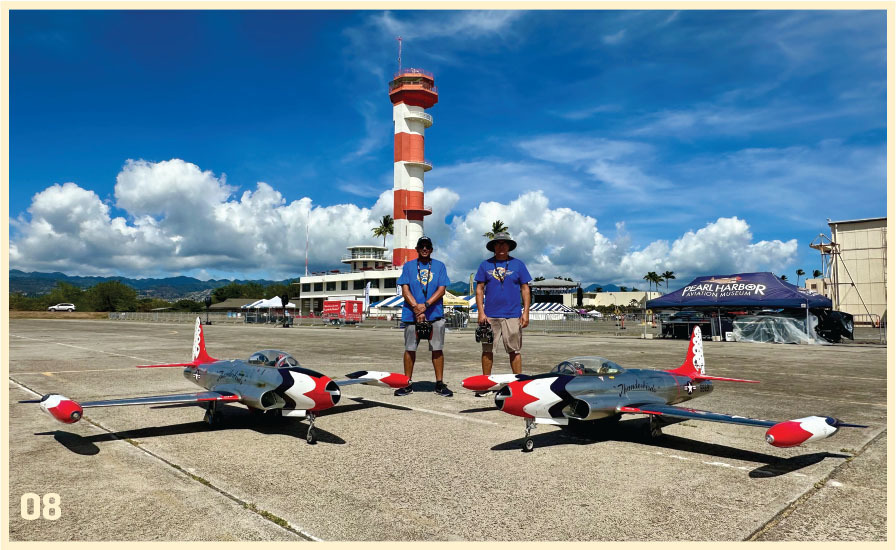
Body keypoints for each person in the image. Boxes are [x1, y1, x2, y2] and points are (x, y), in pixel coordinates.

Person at [394, 236, 453, 397]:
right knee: (410, 349)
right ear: (417, 249)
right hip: (411, 314)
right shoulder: (408, 266)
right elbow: (405, 289)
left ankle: (439, 383)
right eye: (422, 246)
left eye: (427, 246)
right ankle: (407, 382)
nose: (425, 249)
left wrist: (425, 306)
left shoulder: (440, 266)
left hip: (434, 314)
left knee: (437, 349)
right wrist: (416, 308)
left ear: (431, 249)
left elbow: (441, 289)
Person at [475, 231, 532, 378]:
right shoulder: (485, 265)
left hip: (512, 315)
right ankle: (486, 382)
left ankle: (518, 382)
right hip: (490, 316)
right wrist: (481, 312)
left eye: (504, 243)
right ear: (493, 246)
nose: (501, 246)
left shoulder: (518, 264)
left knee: (514, 350)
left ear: (509, 246)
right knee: (487, 350)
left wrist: (526, 312)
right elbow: (479, 289)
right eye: (498, 243)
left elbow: (525, 288)